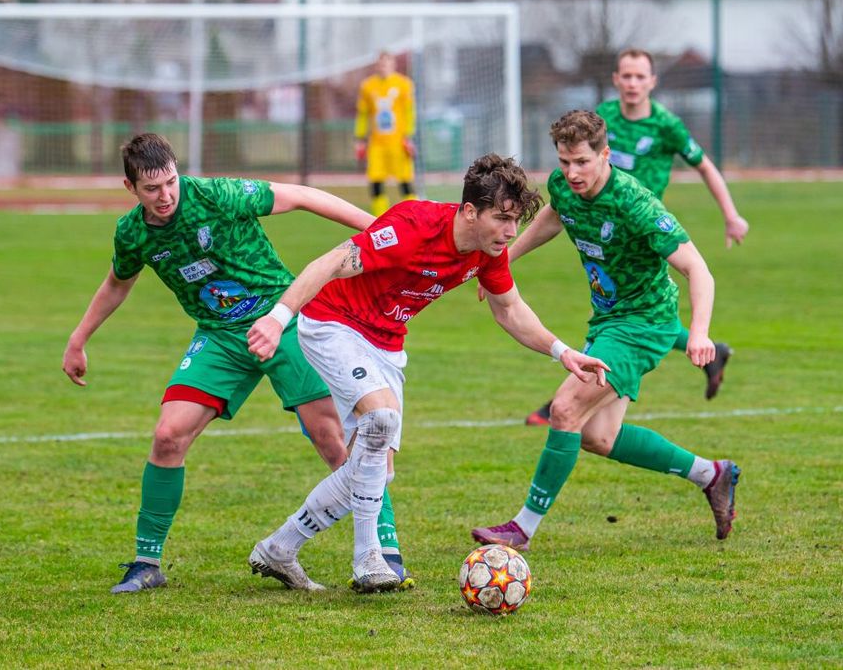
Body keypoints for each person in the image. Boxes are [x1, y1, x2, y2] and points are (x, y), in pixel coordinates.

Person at [62, 133, 411, 595]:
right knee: (168, 436)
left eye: (170, 182)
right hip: (220, 336)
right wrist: (79, 338)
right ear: (131, 188)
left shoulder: (213, 194)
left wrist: (384, 235)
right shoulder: (133, 232)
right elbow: (116, 283)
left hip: (282, 318)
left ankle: (383, 551)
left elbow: (302, 196)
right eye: (152, 189)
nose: (165, 196)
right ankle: (146, 563)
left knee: (334, 438)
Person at [245, 154, 610, 593]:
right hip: (333, 323)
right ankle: (368, 561)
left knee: (377, 468)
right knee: (381, 420)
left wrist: (562, 352)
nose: (512, 233)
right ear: (470, 211)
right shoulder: (413, 225)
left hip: (386, 342)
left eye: (516, 221)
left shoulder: (486, 251)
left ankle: (279, 549)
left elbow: (510, 310)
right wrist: (277, 317)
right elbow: (328, 264)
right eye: (503, 219)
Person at [471, 110, 741, 553]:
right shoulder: (562, 188)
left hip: (645, 323)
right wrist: (501, 261)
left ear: (605, 154)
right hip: (609, 321)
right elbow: (553, 220)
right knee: (599, 437)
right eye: (564, 162)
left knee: (564, 410)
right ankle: (712, 475)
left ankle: (521, 528)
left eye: (581, 162)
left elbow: (698, 269)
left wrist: (699, 332)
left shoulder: (635, 203)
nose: (571, 173)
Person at [523, 48, 751, 425]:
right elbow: (558, 206)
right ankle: (578, 393)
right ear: (616, 79)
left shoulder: (666, 126)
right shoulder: (603, 119)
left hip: (643, 233)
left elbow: (705, 166)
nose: (632, 83)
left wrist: (731, 215)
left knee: (639, 313)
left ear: (652, 82)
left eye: (639, 77)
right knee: (623, 312)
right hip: (598, 223)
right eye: (625, 76)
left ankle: (568, 399)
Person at [355, 50, 417, 216]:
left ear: (393, 64)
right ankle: (378, 219)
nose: (383, 66)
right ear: (377, 65)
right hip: (377, 143)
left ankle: (413, 216)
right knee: (375, 181)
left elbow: (409, 112)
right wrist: (360, 138)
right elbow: (362, 114)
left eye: (387, 63)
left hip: (398, 142)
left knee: (405, 182)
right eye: (381, 63)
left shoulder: (404, 84)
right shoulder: (368, 86)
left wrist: (408, 136)